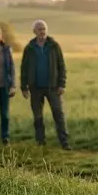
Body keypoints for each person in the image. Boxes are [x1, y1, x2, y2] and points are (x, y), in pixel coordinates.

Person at [20, 19, 70, 149]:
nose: (42, 31)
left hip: (52, 87)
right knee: (38, 116)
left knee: (58, 114)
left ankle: (64, 142)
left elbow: (61, 65)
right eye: (39, 29)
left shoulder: (54, 46)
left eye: (43, 29)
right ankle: (40, 142)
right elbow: (24, 68)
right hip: (35, 87)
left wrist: (62, 84)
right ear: (34, 31)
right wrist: (24, 87)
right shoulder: (29, 48)